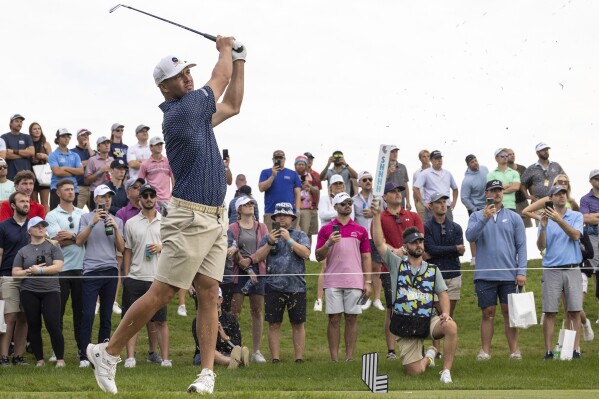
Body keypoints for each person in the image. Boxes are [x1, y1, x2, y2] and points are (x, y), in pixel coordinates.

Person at [86, 37, 245, 395]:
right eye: (179, 75)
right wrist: (224, 50)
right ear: (164, 86)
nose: (188, 77)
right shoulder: (184, 111)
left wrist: (242, 61)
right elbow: (218, 82)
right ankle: (107, 353)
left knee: (208, 291)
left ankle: (206, 374)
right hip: (189, 216)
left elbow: (233, 104)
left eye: (188, 71)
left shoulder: (198, 117)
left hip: (216, 217)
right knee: (163, 291)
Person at [372, 209, 458, 383]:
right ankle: (430, 355)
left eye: (420, 241)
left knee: (451, 327)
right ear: (405, 247)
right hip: (405, 324)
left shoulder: (433, 270)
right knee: (415, 372)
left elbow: (442, 293)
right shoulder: (396, 264)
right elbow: (379, 243)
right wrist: (375, 216)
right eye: (414, 242)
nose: (419, 245)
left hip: (428, 320)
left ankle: (446, 372)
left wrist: (446, 313)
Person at [465, 179, 527, 360]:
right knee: (487, 313)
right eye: (493, 190)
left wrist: (521, 271)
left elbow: (521, 246)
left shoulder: (514, 217)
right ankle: (485, 352)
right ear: (487, 194)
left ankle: (514, 351)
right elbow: (470, 236)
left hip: (509, 274)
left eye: (499, 190)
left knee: (509, 313)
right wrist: (484, 217)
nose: (497, 193)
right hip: (485, 274)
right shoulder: (476, 216)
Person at [315, 192, 372, 362]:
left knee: (352, 318)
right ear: (335, 207)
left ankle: (349, 357)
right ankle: (334, 359)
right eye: (343, 203)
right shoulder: (326, 230)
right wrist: (328, 243)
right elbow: (318, 256)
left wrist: (367, 281)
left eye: (349, 202)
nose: (347, 205)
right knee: (333, 319)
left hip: (354, 280)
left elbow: (366, 257)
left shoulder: (360, 230)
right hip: (332, 280)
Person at [254, 201, 311, 363]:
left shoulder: (300, 235)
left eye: (285, 215)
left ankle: (299, 358)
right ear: (274, 217)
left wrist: (289, 240)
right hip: (273, 286)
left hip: (297, 287)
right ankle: (275, 359)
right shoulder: (268, 236)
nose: (282, 218)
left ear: (292, 218)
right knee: (274, 323)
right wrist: (270, 243)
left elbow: (306, 253)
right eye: (279, 215)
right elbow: (258, 257)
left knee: (298, 323)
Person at [122, 184, 171, 368]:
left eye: (152, 195)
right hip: (135, 277)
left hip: (158, 279)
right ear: (139, 199)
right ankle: (130, 357)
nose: (149, 198)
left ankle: (165, 359)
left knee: (161, 321)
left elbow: (173, 246)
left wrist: (161, 247)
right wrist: (126, 276)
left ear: (156, 198)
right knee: (131, 320)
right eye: (145, 195)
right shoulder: (131, 223)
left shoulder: (165, 221)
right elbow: (127, 251)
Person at [76, 185, 125, 368]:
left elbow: (121, 248)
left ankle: (102, 354)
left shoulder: (117, 221)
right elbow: (79, 241)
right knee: (88, 314)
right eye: (103, 197)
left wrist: (116, 228)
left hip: (110, 271)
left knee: (106, 316)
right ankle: (84, 355)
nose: (106, 200)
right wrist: (92, 222)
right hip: (91, 271)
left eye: (109, 197)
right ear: (95, 199)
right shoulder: (85, 217)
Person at [376, 181, 424, 360]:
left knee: (418, 306)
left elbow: (420, 239)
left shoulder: (413, 215)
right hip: (389, 268)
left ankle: (417, 345)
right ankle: (391, 350)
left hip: (414, 268)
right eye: (393, 191)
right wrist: (394, 252)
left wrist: (403, 250)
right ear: (385, 196)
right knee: (392, 308)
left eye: (399, 191)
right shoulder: (380, 217)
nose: (398, 194)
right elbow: (378, 239)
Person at [537, 185, 584, 359]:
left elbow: (576, 235)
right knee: (550, 312)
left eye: (564, 193)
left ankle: (574, 350)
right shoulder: (545, 219)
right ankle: (548, 351)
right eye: (558, 194)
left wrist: (559, 220)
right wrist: (542, 227)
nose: (562, 196)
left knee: (574, 310)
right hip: (551, 270)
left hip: (572, 268)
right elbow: (541, 246)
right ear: (551, 199)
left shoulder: (576, 216)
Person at [12, 216, 65, 367]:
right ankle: (39, 360)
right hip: (29, 291)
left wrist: (40, 270)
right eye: (37, 226)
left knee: (52, 324)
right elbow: (15, 272)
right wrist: (30, 271)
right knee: (34, 325)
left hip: (51, 291)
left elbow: (58, 267)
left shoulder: (53, 246)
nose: (41, 228)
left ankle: (60, 359)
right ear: (30, 231)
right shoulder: (23, 251)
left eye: (43, 225)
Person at [45, 179, 85, 362]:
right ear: (58, 193)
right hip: (60, 269)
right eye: (67, 190)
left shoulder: (82, 213)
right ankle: (56, 351)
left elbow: (86, 237)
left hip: (81, 269)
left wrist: (73, 236)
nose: (71, 192)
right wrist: (78, 237)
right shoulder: (52, 216)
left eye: (73, 189)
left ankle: (81, 350)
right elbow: (56, 241)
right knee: (57, 313)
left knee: (80, 312)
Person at [227, 196, 269, 363]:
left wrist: (250, 261)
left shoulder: (262, 227)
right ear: (239, 209)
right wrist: (246, 266)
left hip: (258, 271)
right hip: (239, 273)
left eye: (252, 203)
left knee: (257, 311)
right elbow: (232, 249)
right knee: (235, 312)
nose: (250, 206)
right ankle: (234, 347)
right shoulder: (232, 227)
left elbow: (265, 249)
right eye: (246, 204)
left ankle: (256, 350)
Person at [423, 193, 465, 356]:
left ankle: (447, 350)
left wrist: (441, 251)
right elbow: (431, 249)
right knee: (437, 314)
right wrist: (453, 248)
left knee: (448, 315)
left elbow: (459, 251)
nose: (442, 205)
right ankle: (436, 350)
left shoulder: (456, 227)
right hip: (434, 274)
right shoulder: (426, 227)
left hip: (453, 273)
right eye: (438, 203)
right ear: (431, 206)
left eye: (444, 202)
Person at [0, 191, 32, 366]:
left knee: (24, 317)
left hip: (29, 277)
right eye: (22, 201)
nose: (26, 204)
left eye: (27, 201)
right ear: (13, 205)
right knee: (9, 317)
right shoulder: (3, 227)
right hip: (7, 277)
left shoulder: (34, 226)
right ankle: (3, 356)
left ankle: (18, 356)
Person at [313, 175, 353, 312]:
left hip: (345, 235)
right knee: (324, 267)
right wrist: (338, 213)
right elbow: (322, 214)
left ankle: (341, 296)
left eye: (340, 183)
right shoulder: (325, 198)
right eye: (335, 184)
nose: (338, 186)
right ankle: (319, 299)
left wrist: (340, 210)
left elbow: (350, 217)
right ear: (330, 186)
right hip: (326, 234)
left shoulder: (347, 198)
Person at [192, 287, 249, 369]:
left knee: (236, 350)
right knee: (209, 352)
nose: (211, 300)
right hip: (203, 354)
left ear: (220, 300)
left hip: (226, 352)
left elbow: (237, 344)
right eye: (209, 298)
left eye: (214, 297)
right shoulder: (199, 319)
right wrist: (211, 331)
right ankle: (234, 361)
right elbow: (200, 346)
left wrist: (225, 337)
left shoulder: (230, 318)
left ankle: (235, 359)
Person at [352, 171, 384, 311]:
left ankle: (377, 299)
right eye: (364, 180)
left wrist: (374, 213)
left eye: (370, 179)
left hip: (375, 236)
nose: (368, 182)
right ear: (359, 182)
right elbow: (352, 219)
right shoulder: (353, 200)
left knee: (377, 267)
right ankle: (365, 298)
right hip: (361, 237)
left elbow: (384, 214)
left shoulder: (378, 198)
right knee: (362, 268)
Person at [258, 150, 301, 231]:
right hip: (271, 212)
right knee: (273, 237)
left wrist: (297, 211)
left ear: (284, 159)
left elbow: (297, 193)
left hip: (289, 213)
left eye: (280, 158)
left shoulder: (293, 173)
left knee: (289, 238)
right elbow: (261, 188)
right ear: (273, 160)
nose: (278, 160)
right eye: (276, 158)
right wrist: (273, 175)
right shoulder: (266, 172)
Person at [413, 150, 458, 223]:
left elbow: (455, 189)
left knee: (450, 231)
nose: (439, 160)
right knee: (431, 232)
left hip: (446, 207)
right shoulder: (425, 173)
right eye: (436, 158)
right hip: (432, 208)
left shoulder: (447, 173)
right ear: (431, 160)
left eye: (440, 158)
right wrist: (423, 202)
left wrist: (454, 203)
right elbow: (415, 188)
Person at [460, 154, 488, 266]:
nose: (475, 163)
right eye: (472, 162)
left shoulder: (485, 169)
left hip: (487, 205)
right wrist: (473, 209)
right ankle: (474, 257)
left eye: (476, 160)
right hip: (475, 208)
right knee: (474, 231)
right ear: (468, 165)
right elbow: (464, 198)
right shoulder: (467, 180)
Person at [520, 143, 566, 210]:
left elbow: (564, 179)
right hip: (538, 202)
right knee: (541, 220)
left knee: (555, 220)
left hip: (555, 201)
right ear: (537, 153)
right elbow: (523, 183)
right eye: (543, 150)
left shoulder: (556, 165)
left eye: (547, 150)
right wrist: (528, 196)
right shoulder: (532, 168)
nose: (546, 152)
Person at [580, 169, 599, 325]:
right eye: (596, 178)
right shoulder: (585, 199)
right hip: (592, 237)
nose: (598, 180)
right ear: (590, 181)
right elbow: (585, 218)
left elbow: (591, 217)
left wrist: (595, 216)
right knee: (593, 273)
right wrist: (592, 218)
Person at [48, 128, 83, 210]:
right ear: (57, 139)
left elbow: (81, 171)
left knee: (72, 218)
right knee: (55, 217)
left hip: (73, 190)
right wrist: (74, 171)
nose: (66, 138)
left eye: (68, 136)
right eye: (63, 136)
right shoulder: (53, 155)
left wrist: (65, 168)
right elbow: (57, 172)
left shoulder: (75, 155)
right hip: (57, 190)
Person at [138, 136, 174, 212]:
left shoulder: (169, 162)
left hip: (168, 200)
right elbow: (140, 184)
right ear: (151, 147)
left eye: (161, 144)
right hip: (152, 200)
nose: (159, 146)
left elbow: (173, 181)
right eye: (157, 144)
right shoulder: (145, 164)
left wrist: (172, 197)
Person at [295, 155, 320, 246]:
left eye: (303, 164)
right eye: (299, 164)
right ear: (295, 165)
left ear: (306, 165)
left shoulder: (312, 176)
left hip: (307, 208)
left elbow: (317, 191)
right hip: (295, 208)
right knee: (295, 230)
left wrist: (309, 186)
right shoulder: (292, 175)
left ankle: (306, 253)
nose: (301, 166)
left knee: (306, 232)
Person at [84, 136, 114, 210]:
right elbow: (87, 180)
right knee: (96, 214)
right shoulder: (92, 160)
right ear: (98, 147)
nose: (107, 145)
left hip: (109, 192)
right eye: (104, 143)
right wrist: (100, 172)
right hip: (96, 192)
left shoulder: (112, 160)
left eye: (108, 143)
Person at [29, 122, 52, 213]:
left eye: (39, 128)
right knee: (34, 202)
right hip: (32, 174)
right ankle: (37, 222)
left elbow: (52, 159)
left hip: (43, 174)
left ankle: (47, 222)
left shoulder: (45, 143)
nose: (37, 130)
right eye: (35, 129)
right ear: (30, 131)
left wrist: (44, 156)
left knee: (45, 203)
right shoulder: (28, 143)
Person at [2, 114, 34, 181]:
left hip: (26, 175)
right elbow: (5, 155)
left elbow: (31, 152)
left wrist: (13, 151)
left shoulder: (27, 137)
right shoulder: (4, 137)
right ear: (11, 123)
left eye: (21, 122)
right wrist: (25, 154)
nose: (19, 123)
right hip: (10, 176)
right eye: (17, 121)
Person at [506, 148, 532, 228]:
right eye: (509, 154)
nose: (512, 156)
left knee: (523, 227)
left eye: (513, 154)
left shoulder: (522, 168)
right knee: (512, 227)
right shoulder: (503, 171)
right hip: (510, 203)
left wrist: (530, 196)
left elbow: (529, 183)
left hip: (523, 202)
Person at [71, 128, 96, 209]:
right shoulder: (72, 152)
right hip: (79, 187)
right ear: (78, 138)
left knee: (96, 213)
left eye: (87, 135)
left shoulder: (92, 151)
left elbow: (97, 163)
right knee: (76, 212)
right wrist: (89, 162)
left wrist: (88, 147)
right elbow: (75, 165)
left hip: (93, 187)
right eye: (83, 135)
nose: (86, 137)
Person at [386, 146, 411, 210]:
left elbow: (406, 185)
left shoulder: (403, 167)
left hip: (400, 201)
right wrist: (388, 172)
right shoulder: (383, 167)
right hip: (388, 203)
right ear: (387, 153)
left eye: (396, 152)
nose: (395, 154)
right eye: (392, 152)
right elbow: (380, 185)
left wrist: (408, 201)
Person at [412, 150, 431, 221]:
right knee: (423, 225)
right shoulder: (416, 173)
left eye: (428, 156)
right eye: (424, 156)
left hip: (433, 202)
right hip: (421, 203)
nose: (426, 158)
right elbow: (414, 190)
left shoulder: (435, 171)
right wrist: (416, 204)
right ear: (420, 159)